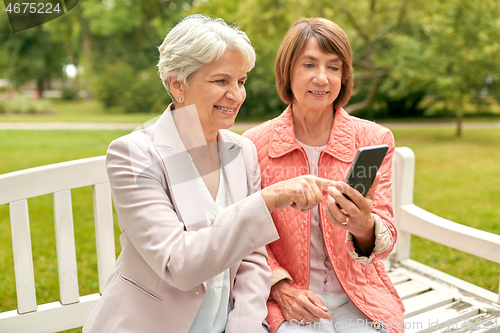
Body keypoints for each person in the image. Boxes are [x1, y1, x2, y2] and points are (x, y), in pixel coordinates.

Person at [83, 15, 335, 333]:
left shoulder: (241, 152)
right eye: (221, 81)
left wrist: (244, 326)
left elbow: (253, 260)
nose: (237, 95)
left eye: (240, 81)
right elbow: (180, 264)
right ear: (177, 84)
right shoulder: (136, 155)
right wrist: (268, 200)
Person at [244, 18, 405, 333]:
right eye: (309, 64)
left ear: (345, 77)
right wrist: (280, 288)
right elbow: (248, 236)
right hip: (289, 299)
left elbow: (384, 241)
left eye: (334, 67)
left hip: (358, 296)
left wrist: (364, 226)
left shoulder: (374, 138)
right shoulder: (252, 145)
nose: (322, 78)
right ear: (287, 71)